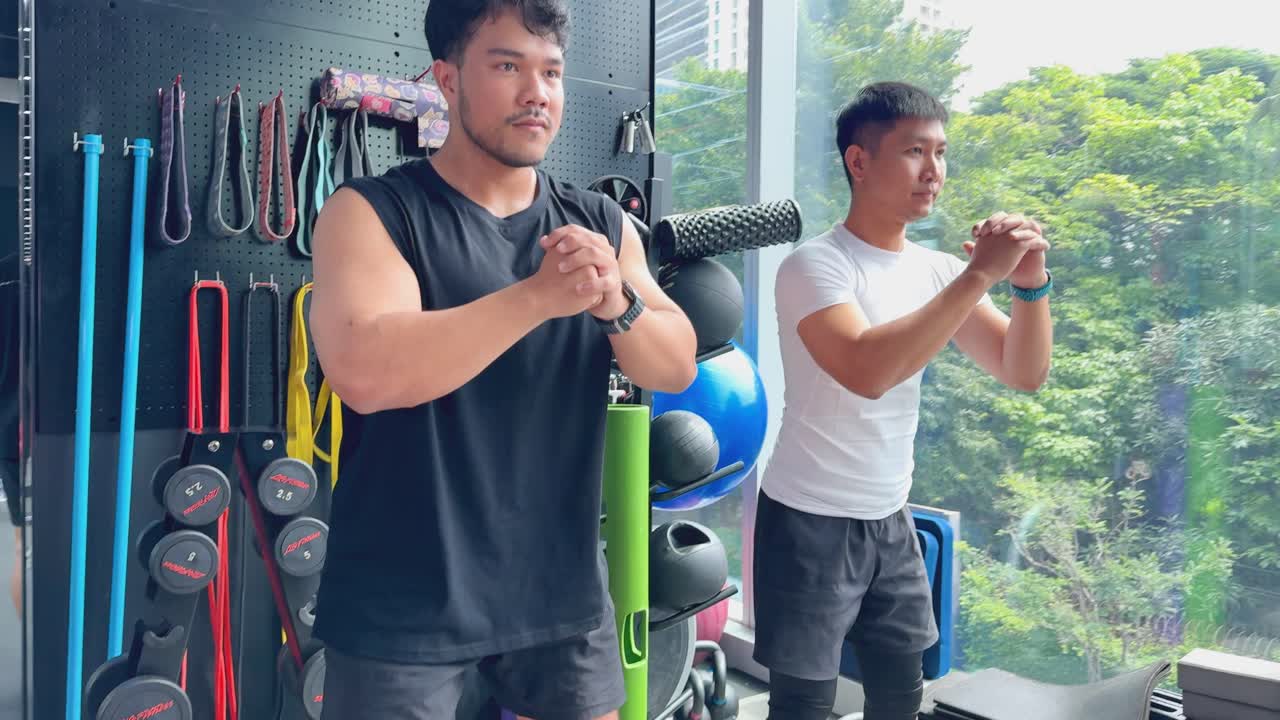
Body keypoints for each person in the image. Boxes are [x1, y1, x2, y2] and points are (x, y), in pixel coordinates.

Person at [307, 1, 698, 718]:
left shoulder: (602, 227)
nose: (537, 93)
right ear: (447, 80)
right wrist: (538, 298)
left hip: (561, 596)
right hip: (403, 603)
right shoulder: (370, 212)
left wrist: (619, 305)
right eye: (508, 66)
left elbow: (674, 367)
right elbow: (365, 372)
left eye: (551, 71)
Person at [753, 81, 1054, 720]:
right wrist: (980, 275)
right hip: (807, 518)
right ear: (858, 162)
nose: (934, 172)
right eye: (915, 152)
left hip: (890, 516)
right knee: (803, 704)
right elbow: (867, 370)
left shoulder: (938, 271)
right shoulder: (814, 266)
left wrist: (1029, 285)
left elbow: (1022, 370)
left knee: (900, 696)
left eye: (942, 153)